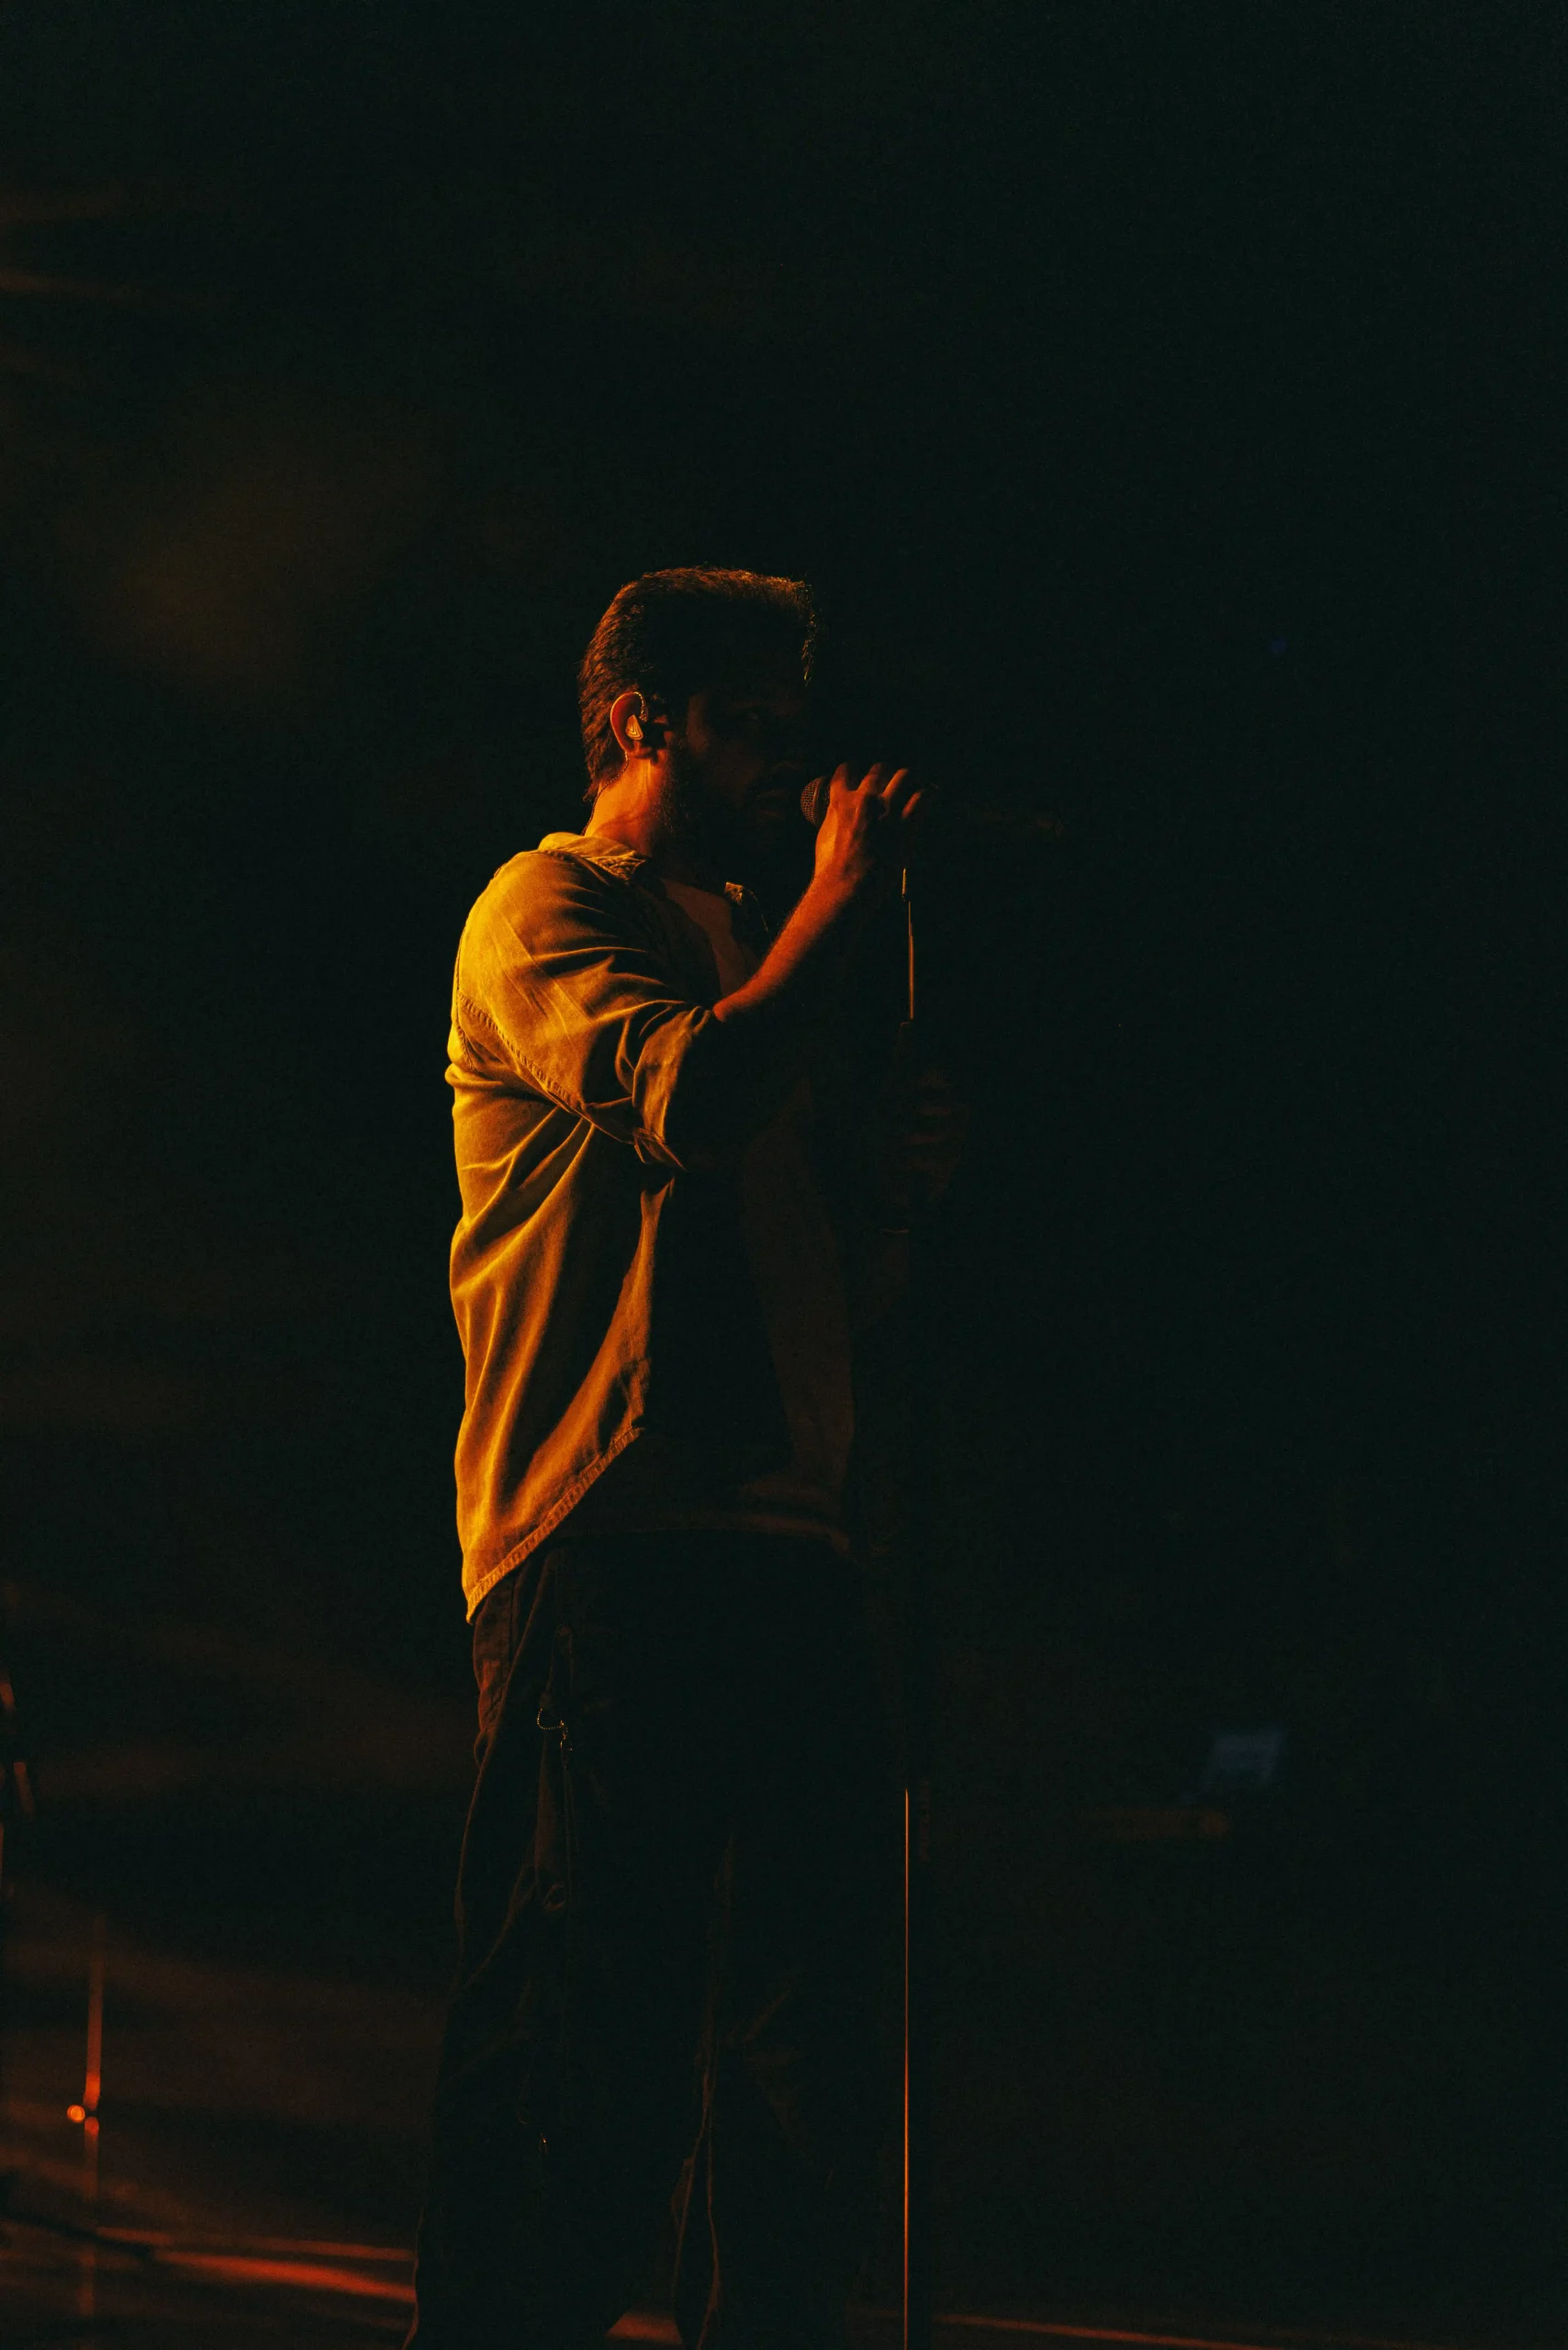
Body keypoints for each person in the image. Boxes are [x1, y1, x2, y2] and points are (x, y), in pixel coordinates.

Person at [407, 568, 964, 2350]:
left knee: (803, 2059)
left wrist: (887, 1197)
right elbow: (697, 1101)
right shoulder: (547, 905)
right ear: (642, 722)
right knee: (581, 2047)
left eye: (796, 720)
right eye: (750, 721)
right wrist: (839, 901)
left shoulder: (756, 949)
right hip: (611, 1540)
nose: (788, 758)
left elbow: (818, 1274)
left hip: (787, 1540)